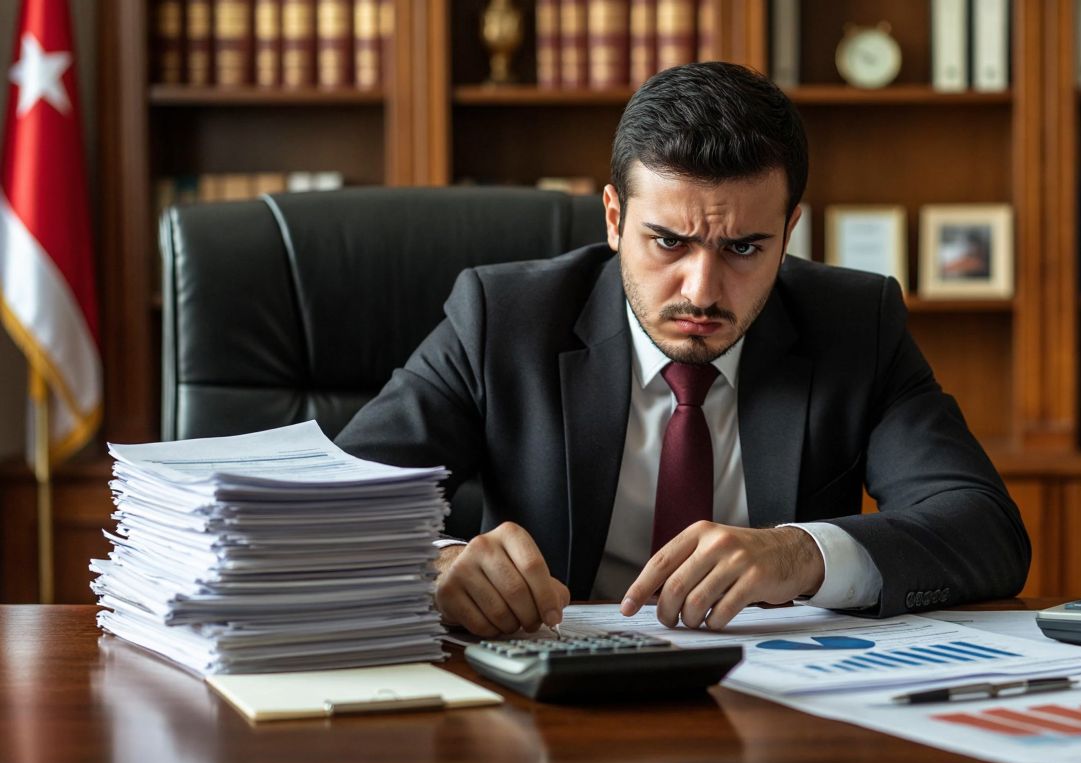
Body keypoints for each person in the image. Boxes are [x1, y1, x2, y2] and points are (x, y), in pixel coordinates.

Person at [335, 62, 1029, 638]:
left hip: (781, 702)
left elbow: (984, 529)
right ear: (614, 218)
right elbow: (323, 510)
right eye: (668, 241)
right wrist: (435, 564)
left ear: (788, 232)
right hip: (550, 694)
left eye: (744, 248)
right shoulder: (504, 319)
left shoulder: (855, 322)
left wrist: (801, 553)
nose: (702, 290)